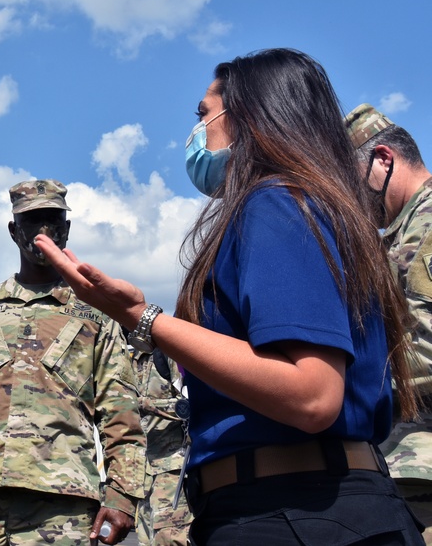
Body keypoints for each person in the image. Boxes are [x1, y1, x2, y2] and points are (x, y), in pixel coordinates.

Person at [37, 48, 425, 545]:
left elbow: (312, 394)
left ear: (245, 116)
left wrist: (141, 316)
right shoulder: (320, 210)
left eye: (203, 113)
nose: (197, 131)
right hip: (317, 511)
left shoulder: (275, 204)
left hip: (293, 513)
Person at [0, 179, 146, 546]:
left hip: (62, 504)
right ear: (13, 230)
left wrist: (122, 495)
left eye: (53, 221)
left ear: (66, 230)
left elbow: (121, 413)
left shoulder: (95, 314)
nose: (44, 232)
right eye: (32, 221)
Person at [345, 103, 432, 541]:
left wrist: (352, 390)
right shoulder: (403, 233)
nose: (355, 202)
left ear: (383, 159)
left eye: (353, 186)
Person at [132, 348, 192, 546]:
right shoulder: (125, 354)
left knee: (170, 539)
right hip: (143, 476)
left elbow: (190, 405)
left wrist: (141, 404)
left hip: (172, 472)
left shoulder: (167, 352)